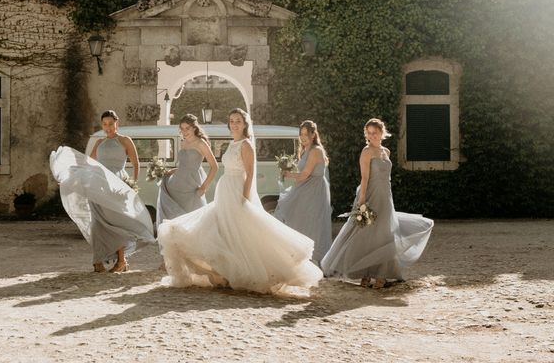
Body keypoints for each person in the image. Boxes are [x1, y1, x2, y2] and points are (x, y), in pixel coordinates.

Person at [157, 108, 323, 295]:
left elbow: (250, 173)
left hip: (236, 191)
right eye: (232, 121)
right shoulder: (232, 144)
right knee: (223, 231)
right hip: (225, 191)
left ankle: (249, 272)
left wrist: (244, 197)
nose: (234, 124)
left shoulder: (246, 144)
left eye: (238, 121)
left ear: (244, 124)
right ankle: (224, 273)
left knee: (240, 233)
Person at [320, 118, 434, 288]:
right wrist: (362, 201)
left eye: (375, 132)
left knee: (384, 233)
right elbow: (364, 178)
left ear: (382, 132)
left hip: (385, 196)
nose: (371, 136)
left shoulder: (386, 152)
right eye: (369, 133)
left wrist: (387, 197)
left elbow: (386, 178)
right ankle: (364, 274)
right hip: (370, 195)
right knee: (364, 233)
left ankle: (381, 274)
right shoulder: (366, 152)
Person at [49, 110, 155, 273]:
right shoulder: (99, 143)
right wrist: (69, 178)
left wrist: (132, 184)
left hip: (118, 184)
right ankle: (98, 260)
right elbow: (87, 165)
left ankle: (121, 261)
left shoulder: (125, 141)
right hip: (99, 185)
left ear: (116, 124)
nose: (108, 127)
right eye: (105, 124)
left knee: (116, 222)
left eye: (111, 124)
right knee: (98, 223)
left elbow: (136, 164)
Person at [274, 120, 332, 265]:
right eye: (301, 134)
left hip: (314, 190)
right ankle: (301, 254)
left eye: (306, 134)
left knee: (312, 223)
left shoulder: (316, 151)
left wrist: (288, 175)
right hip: (305, 188)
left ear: (313, 135)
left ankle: (314, 258)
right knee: (301, 220)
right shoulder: (306, 150)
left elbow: (305, 174)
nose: (303, 137)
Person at [156, 114, 218, 228]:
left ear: (194, 128)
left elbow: (214, 167)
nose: (184, 132)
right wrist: (173, 170)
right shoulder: (183, 142)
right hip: (176, 184)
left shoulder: (201, 143)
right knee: (176, 219)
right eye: (182, 129)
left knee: (194, 219)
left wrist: (203, 188)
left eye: (187, 128)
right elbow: (185, 165)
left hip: (191, 187)